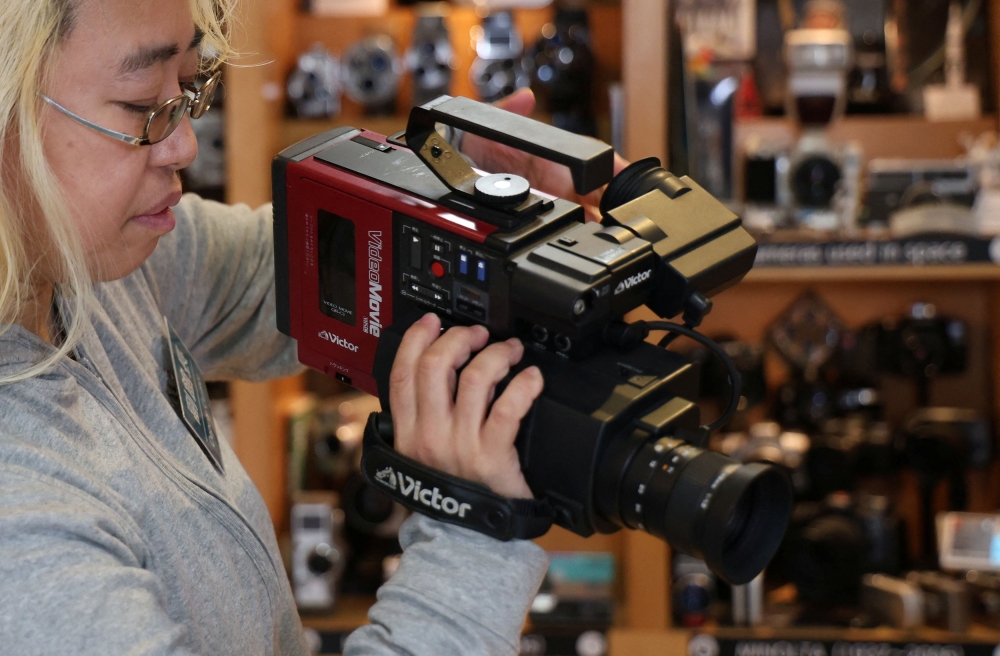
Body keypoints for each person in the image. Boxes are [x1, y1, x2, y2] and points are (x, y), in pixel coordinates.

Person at [0, 0, 625, 654]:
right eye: (139, 107)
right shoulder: (20, 526)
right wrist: (472, 531)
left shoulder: (86, 265)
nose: (183, 143)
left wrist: (456, 202)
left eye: (186, 89)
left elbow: (297, 273)